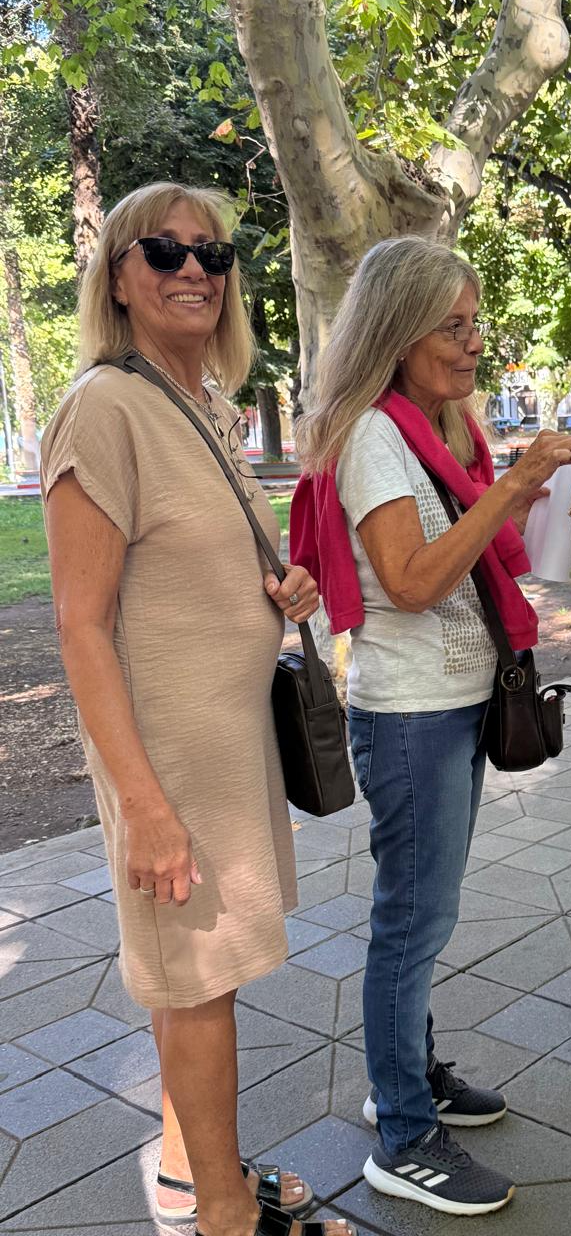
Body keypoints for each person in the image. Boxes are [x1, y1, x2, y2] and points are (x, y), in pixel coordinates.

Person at [41, 182, 354, 1236]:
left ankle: (189, 1170)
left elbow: (187, 565)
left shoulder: (204, 403)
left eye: (213, 255)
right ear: (118, 277)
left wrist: (279, 589)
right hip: (170, 761)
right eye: (164, 250)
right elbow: (82, 625)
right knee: (199, 982)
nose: (193, 270)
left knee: (197, 978)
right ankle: (225, 1214)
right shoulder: (105, 406)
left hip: (228, 746)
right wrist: (144, 805)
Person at [291, 236, 571, 1217]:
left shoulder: (434, 429)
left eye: (475, 323)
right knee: (411, 921)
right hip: (411, 710)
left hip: (454, 699)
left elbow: (464, 551)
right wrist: (510, 484)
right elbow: (414, 582)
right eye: (452, 327)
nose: (474, 343)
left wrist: (524, 489)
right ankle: (404, 1134)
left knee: (426, 914)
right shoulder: (374, 434)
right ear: (397, 333)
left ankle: (406, 1074)